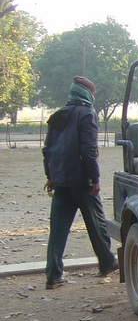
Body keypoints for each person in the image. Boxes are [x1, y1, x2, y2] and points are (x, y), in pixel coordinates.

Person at [42, 76, 118, 290]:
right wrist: (95, 179)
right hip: (82, 180)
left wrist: (50, 175)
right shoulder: (87, 114)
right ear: (87, 94)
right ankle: (107, 262)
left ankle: (53, 275)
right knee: (97, 224)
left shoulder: (58, 115)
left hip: (60, 180)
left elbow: (47, 149)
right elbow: (89, 150)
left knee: (57, 230)